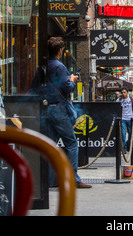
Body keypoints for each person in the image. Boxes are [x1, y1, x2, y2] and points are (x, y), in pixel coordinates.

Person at [32, 37, 91, 189]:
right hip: (58, 108)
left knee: (50, 145)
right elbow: (67, 88)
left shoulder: (41, 67)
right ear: (60, 50)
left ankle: (50, 180)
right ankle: (72, 179)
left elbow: (34, 88)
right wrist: (71, 80)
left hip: (45, 109)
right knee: (71, 143)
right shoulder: (60, 67)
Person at [117, 88, 133, 152]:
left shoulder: (131, 99)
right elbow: (116, 108)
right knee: (123, 134)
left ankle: (128, 146)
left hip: (130, 119)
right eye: (122, 92)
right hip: (123, 119)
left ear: (127, 92)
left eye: (124, 92)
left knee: (131, 134)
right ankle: (123, 148)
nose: (123, 94)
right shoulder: (119, 100)